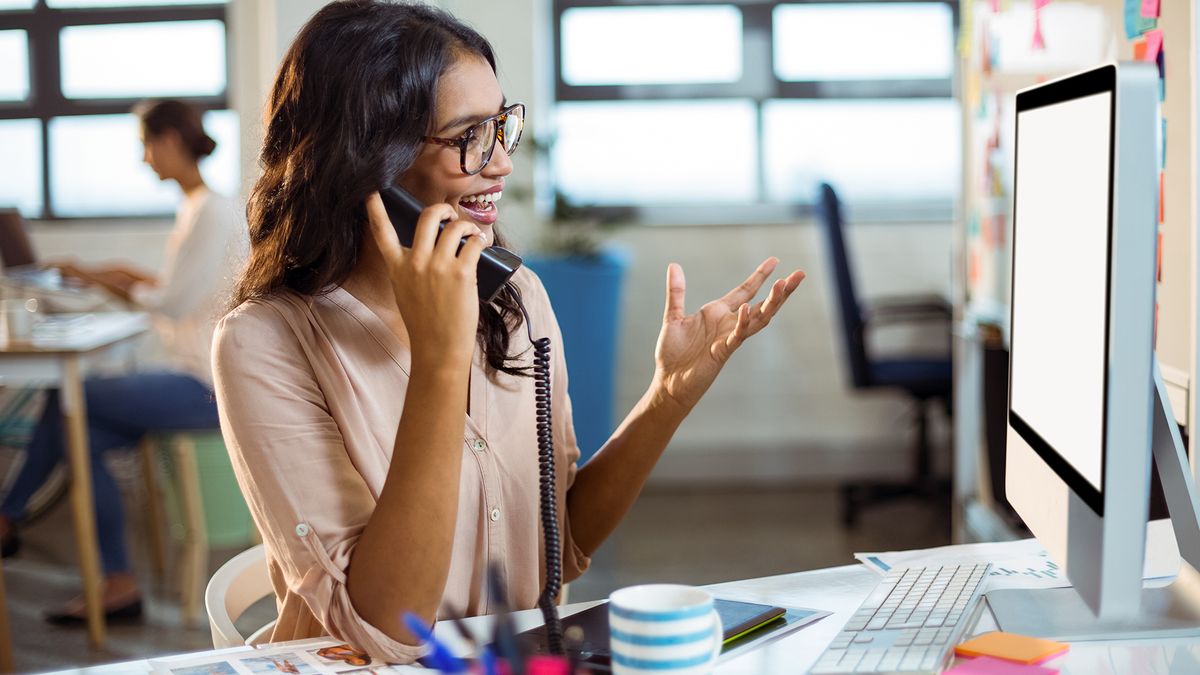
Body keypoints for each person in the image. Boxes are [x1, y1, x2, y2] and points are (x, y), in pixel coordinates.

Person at [212, 0, 804, 663]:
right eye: (469, 135)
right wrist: (439, 361)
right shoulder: (263, 342)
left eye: (501, 128)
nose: (501, 165)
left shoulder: (513, 298)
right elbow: (383, 628)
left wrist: (668, 395)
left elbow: (560, 547)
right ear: (369, 157)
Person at [0, 99, 248, 624]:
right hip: (193, 374)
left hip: (205, 383)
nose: (144, 160)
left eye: (145, 147)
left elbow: (172, 304)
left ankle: (6, 514)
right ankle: (118, 585)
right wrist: (117, 276)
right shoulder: (197, 207)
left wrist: (102, 278)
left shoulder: (209, 209)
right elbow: (177, 294)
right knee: (80, 433)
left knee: (72, 398)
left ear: (170, 142)